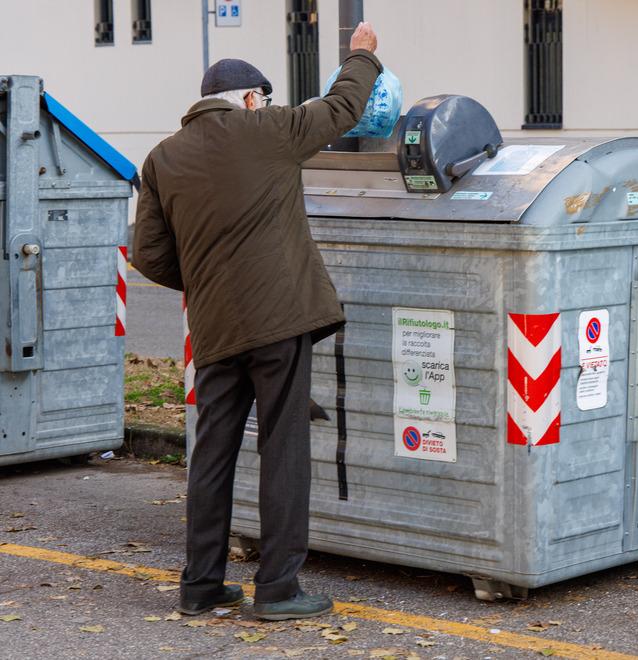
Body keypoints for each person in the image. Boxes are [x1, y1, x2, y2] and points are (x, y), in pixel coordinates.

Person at [132, 22, 381, 621]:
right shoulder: (268, 130)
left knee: (212, 451)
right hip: (280, 320)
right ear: (249, 100)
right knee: (282, 447)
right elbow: (343, 106)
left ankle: (201, 586)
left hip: (217, 330)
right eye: (262, 98)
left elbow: (149, 256)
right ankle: (277, 589)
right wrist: (362, 57)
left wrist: (207, 285)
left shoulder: (163, 157)